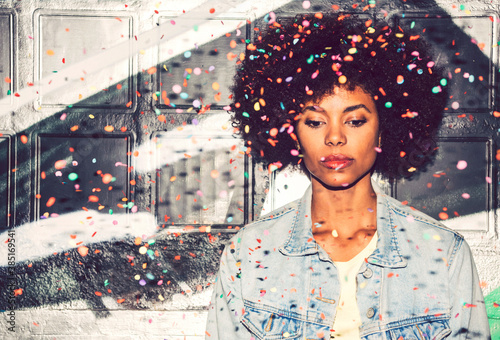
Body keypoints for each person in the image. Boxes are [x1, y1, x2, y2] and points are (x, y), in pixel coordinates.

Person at [205, 12, 491, 339]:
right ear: (291, 134)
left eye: (355, 121)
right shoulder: (249, 255)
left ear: (385, 131)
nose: (334, 137)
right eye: (314, 121)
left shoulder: (443, 254)